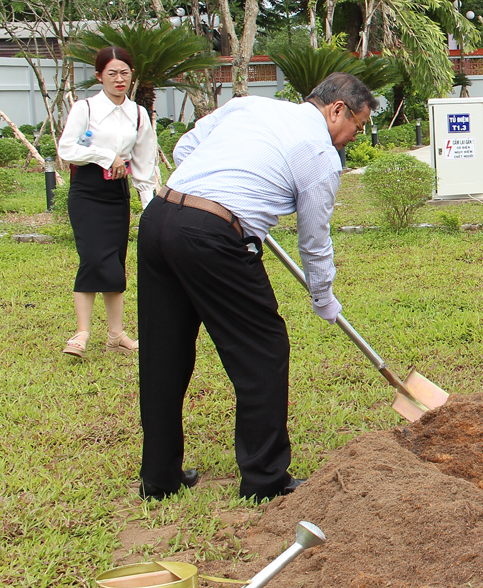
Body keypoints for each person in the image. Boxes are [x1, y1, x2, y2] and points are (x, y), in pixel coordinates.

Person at [136, 72, 372, 502]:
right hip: (212, 236)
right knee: (264, 348)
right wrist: (323, 297)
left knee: (163, 351)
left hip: (159, 217)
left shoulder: (252, 105)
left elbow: (185, 147)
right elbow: (314, 240)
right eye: (356, 126)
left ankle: (159, 478)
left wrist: (224, 192)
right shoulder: (319, 152)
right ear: (337, 109)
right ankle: (265, 481)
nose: (352, 137)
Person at [57, 46, 159, 359]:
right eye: (111, 73)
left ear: (132, 76)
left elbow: (143, 165)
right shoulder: (85, 109)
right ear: (99, 76)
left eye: (124, 73)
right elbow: (66, 148)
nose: (119, 79)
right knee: (92, 257)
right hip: (86, 192)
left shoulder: (139, 114)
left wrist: (151, 207)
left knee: (115, 261)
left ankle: (116, 335)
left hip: (117, 194)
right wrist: (106, 156)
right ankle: (82, 332)